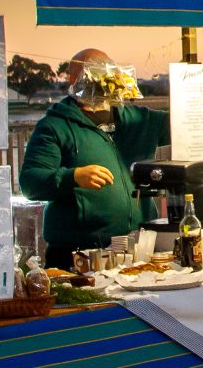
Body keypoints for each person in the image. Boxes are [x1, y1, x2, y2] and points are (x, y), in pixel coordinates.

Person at [18, 60, 168, 269]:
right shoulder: (54, 126)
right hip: (77, 256)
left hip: (139, 249)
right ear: (73, 81)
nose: (103, 84)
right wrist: (73, 176)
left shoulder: (139, 120)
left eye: (108, 76)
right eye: (93, 77)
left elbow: (192, 123)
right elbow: (30, 182)